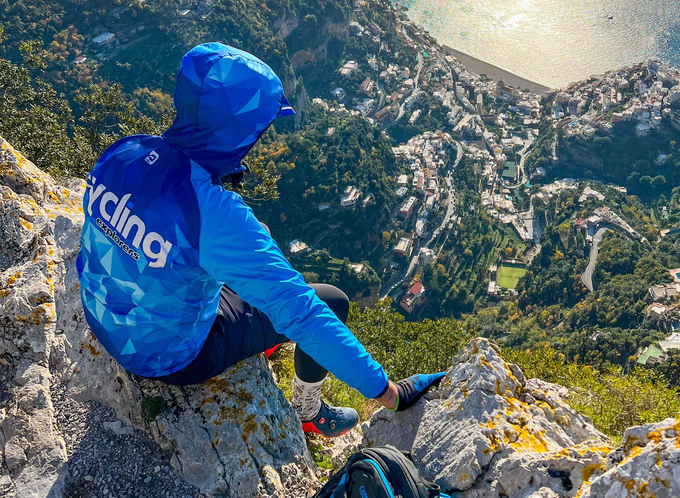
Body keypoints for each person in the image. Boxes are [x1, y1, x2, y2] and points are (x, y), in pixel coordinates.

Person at [76, 42, 443, 438]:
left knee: (258, 244)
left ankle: (264, 339)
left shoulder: (125, 152)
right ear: (240, 130)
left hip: (104, 319)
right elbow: (304, 312)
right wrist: (388, 392)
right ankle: (308, 409)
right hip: (167, 357)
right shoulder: (216, 215)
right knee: (331, 301)